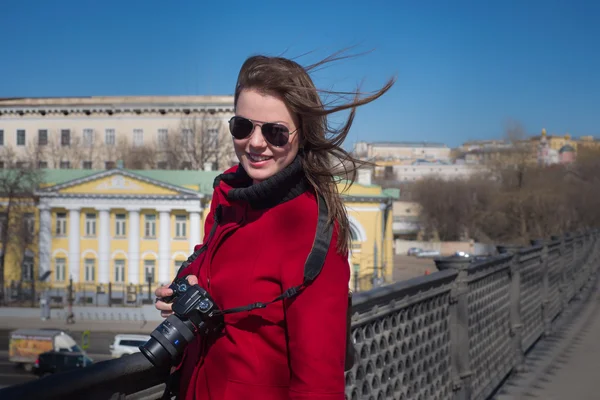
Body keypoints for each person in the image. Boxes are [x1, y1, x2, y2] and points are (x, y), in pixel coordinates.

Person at [154, 51, 395, 400]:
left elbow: (318, 386)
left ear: (302, 134)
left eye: (275, 132)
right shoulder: (228, 197)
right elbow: (210, 265)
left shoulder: (309, 228)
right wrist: (182, 287)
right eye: (242, 126)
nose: (255, 142)